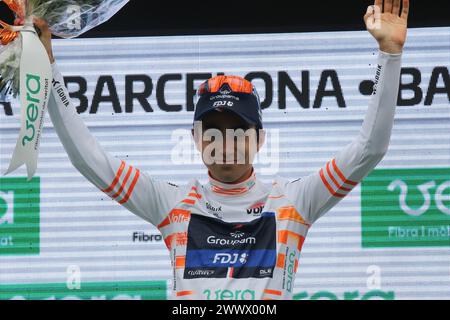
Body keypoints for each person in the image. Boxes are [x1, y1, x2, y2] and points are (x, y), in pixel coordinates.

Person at [33, 0, 409, 300]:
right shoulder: (172, 205)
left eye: (238, 131)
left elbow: (370, 148)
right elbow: (88, 158)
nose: (226, 144)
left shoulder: (295, 201)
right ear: (196, 140)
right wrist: (47, 66)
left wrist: (389, 56)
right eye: (213, 131)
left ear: (260, 139)